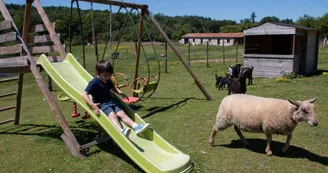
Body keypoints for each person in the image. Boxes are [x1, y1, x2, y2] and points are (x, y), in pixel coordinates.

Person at [82, 60, 149, 136]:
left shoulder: (108, 80)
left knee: (122, 113)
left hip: (112, 101)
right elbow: (84, 94)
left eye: (110, 75)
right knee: (112, 115)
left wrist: (120, 92)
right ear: (97, 73)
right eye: (106, 75)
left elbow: (113, 88)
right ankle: (120, 131)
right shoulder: (94, 83)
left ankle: (136, 126)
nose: (108, 77)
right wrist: (92, 106)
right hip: (102, 104)